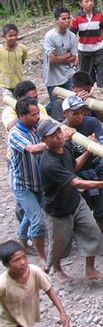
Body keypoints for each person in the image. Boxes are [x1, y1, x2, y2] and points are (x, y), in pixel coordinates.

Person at [37, 118, 103, 283]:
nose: (58, 136)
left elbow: (74, 166)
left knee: (92, 230)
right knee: (59, 243)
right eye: (52, 135)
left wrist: (88, 152)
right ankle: (57, 269)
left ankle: (90, 269)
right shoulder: (49, 163)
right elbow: (76, 181)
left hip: (75, 201)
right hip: (57, 208)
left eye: (58, 132)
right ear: (44, 141)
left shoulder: (65, 148)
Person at [0, 240, 69, 327]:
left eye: (24, 257)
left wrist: (62, 312)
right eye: (16, 260)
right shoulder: (3, 284)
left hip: (27, 318)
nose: (22, 262)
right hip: (11, 323)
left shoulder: (34, 272)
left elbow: (49, 290)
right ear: (7, 265)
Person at [6, 97, 47, 265]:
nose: (37, 117)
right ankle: (42, 258)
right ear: (21, 116)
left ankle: (22, 238)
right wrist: (53, 141)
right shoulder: (15, 134)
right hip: (23, 185)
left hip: (38, 182)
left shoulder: (36, 127)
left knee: (31, 214)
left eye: (38, 113)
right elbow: (33, 149)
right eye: (33, 114)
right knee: (37, 219)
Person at [62, 95, 103, 232]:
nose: (80, 117)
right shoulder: (61, 132)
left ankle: (98, 237)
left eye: (82, 112)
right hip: (76, 176)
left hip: (96, 170)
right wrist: (89, 150)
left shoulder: (92, 122)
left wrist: (95, 146)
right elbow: (73, 166)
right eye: (75, 113)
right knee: (80, 212)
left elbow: (102, 146)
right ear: (65, 114)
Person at [69, 0, 103, 102]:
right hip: (84, 52)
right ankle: (84, 99)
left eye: (91, 1)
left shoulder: (99, 15)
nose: (89, 3)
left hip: (99, 50)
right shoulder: (76, 18)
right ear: (81, 4)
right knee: (85, 76)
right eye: (86, 1)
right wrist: (76, 54)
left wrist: (102, 44)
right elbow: (72, 36)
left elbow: (101, 31)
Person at [42, 7, 79, 121]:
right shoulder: (50, 36)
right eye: (64, 18)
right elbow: (53, 60)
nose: (67, 21)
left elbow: (74, 57)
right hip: (52, 76)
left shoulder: (72, 36)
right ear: (56, 20)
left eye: (68, 18)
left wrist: (60, 58)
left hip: (68, 73)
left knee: (71, 101)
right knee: (56, 105)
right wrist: (66, 56)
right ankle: (49, 118)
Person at [0, 24, 27, 96]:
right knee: (11, 103)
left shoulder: (22, 48)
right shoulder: (1, 50)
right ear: (4, 37)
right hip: (5, 85)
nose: (13, 38)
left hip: (19, 83)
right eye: (10, 36)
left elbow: (22, 61)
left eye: (15, 35)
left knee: (21, 104)